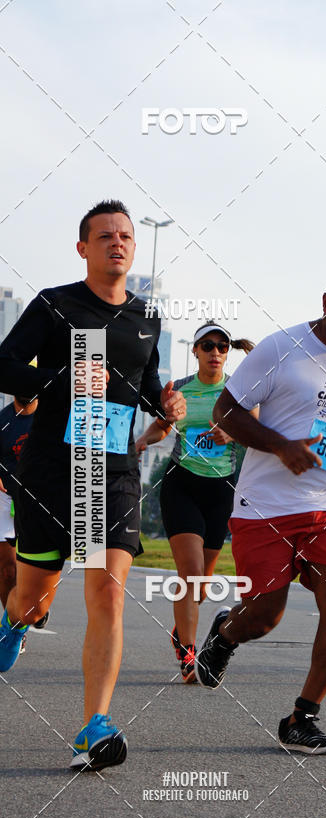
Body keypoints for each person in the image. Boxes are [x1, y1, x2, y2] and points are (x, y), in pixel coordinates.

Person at [0, 199, 186, 770]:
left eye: (125, 235)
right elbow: (4, 363)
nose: (118, 242)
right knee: (35, 593)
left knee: (107, 589)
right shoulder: (56, 305)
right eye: (105, 235)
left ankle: (94, 725)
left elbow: (145, 383)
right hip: (52, 470)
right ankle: (12, 620)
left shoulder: (146, 318)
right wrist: (64, 380)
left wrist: (166, 401)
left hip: (114, 467)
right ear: (83, 248)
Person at [196, 263, 326, 755]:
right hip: (265, 506)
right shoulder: (280, 349)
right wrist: (282, 446)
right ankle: (226, 633)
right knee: (265, 616)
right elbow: (226, 411)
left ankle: (302, 717)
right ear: (325, 300)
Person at [136, 321, 254, 682]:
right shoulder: (181, 390)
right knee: (188, 577)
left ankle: (180, 631)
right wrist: (142, 442)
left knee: (201, 585)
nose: (215, 352)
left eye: (222, 346)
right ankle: (189, 657)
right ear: (196, 351)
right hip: (182, 484)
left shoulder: (237, 393)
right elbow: (162, 427)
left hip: (220, 490)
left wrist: (232, 431)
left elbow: (257, 427)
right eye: (208, 346)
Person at [0, 394, 40, 647]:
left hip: (39, 497)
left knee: (34, 565)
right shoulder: (3, 420)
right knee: (7, 569)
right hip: (5, 497)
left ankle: (39, 603)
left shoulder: (52, 416)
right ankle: (15, 627)